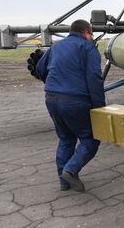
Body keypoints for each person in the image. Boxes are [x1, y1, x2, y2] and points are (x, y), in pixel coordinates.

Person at [36, 19, 105, 192]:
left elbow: (39, 68)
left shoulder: (56, 47)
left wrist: (56, 84)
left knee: (66, 138)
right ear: (87, 33)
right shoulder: (88, 48)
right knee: (90, 139)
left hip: (51, 98)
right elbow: (94, 78)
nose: (92, 37)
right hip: (75, 101)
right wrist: (99, 107)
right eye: (92, 34)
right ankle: (71, 171)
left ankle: (64, 182)